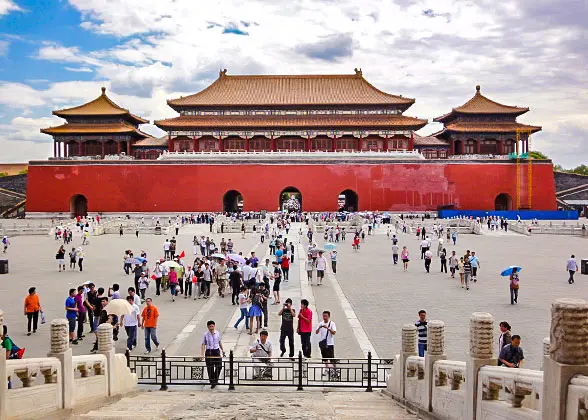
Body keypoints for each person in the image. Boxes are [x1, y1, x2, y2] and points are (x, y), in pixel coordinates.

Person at [201, 320, 225, 388]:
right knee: (210, 367)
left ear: (214, 326)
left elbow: (219, 342)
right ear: (208, 327)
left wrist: (222, 350)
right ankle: (212, 382)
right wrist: (202, 354)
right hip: (209, 351)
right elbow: (203, 344)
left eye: (212, 326)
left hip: (216, 351)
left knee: (219, 366)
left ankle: (215, 380)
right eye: (210, 326)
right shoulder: (205, 334)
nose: (211, 328)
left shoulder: (217, 333)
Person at [316, 310, 337, 379]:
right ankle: (326, 369)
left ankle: (335, 370)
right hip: (323, 343)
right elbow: (316, 332)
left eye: (326, 316)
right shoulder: (321, 323)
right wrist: (320, 327)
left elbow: (334, 332)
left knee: (331, 358)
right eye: (323, 316)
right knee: (325, 358)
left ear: (329, 316)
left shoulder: (332, 323)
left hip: (330, 343)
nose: (324, 317)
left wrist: (328, 328)